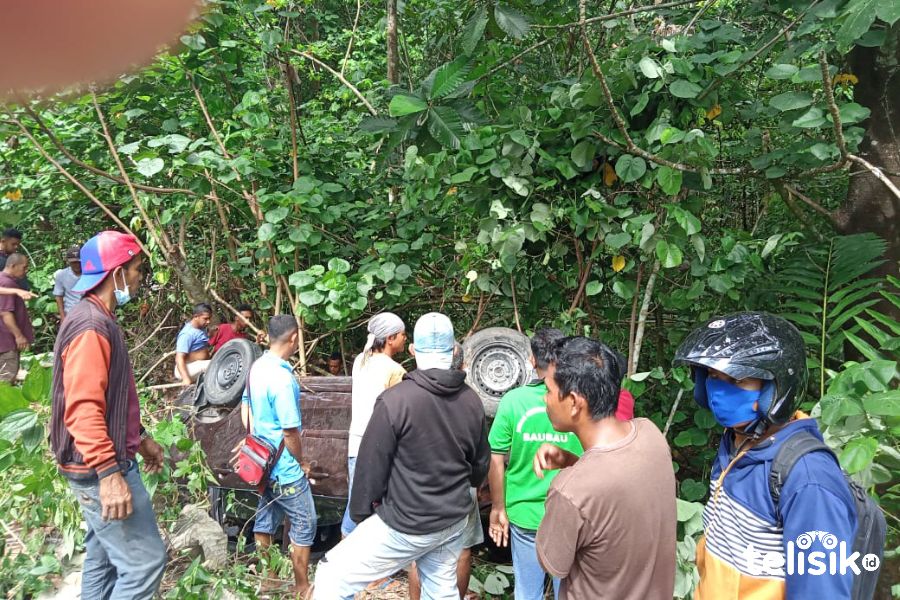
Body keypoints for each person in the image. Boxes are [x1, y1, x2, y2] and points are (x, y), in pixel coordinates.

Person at [674, 312, 861, 599]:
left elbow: (822, 592)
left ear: (776, 389)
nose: (719, 390)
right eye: (713, 376)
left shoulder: (809, 479)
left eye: (737, 380)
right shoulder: (737, 440)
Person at [314, 312, 491, 600]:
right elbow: (479, 466)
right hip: (452, 519)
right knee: (441, 589)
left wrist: (361, 515)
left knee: (330, 575)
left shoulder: (396, 400)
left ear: (413, 351)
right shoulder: (471, 400)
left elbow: (371, 467)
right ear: (454, 350)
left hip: (406, 522)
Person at [49, 230, 168, 599]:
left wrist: (141, 437)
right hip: (96, 467)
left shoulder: (94, 317)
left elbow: (110, 397)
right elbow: (84, 408)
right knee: (144, 564)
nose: (138, 279)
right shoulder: (91, 328)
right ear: (116, 274)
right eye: (136, 270)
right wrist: (109, 475)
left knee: (103, 559)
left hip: (97, 461)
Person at [533, 336, 676, 599]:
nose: (545, 400)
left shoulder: (570, 490)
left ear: (574, 402)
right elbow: (613, 482)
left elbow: (554, 563)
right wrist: (572, 462)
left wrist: (568, 476)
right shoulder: (650, 434)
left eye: (549, 390)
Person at [487, 328, 585, 600]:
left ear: (531, 360)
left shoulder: (513, 401)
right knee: (567, 591)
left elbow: (496, 457)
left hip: (525, 513)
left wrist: (498, 508)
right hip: (570, 512)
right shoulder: (580, 401)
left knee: (527, 592)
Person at [241, 314, 316, 596]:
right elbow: (290, 432)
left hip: (261, 463)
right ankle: (301, 586)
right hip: (284, 468)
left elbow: (245, 406)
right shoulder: (283, 379)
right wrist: (300, 463)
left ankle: (268, 579)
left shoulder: (256, 367)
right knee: (305, 523)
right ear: (294, 338)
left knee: (266, 519)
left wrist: (254, 439)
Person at [409, 342, 483, 600]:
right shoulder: (471, 400)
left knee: (419, 551)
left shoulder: (410, 395)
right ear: (463, 366)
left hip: (419, 487)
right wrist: (476, 481)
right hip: (460, 486)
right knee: (462, 550)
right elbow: (479, 453)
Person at [340, 312, 407, 537]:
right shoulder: (395, 370)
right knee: (376, 508)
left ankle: (345, 560)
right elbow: (398, 412)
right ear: (390, 339)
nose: (405, 339)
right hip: (378, 448)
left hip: (355, 444)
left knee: (354, 503)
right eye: (402, 335)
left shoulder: (361, 360)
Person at [0, 253, 34, 383]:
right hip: (7, 341)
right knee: (6, 381)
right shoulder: (7, 282)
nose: (26, 271)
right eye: (24, 267)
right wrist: (18, 335)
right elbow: (5, 313)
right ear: (13, 266)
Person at [174, 302, 212, 385]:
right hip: (187, 368)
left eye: (209, 319)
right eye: (205, 319)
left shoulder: (201, 328)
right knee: (217, 363)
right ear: (196, 317)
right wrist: (186, 379)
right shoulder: (187, 334)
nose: (208, 321)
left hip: (199, 365)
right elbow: (179, 358)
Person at [53, 244, 83, 322]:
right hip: (70, 312)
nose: (77, 265)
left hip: (88, 312)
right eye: (74, 263)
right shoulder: (61, 275)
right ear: (68, 262)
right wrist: (63, 317)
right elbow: (58, 296)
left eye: (78, 262)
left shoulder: (90, 273)